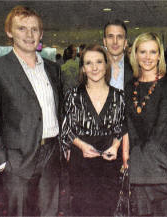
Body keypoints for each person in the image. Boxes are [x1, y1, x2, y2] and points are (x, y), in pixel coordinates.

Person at [0, 6, 61, 216]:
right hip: (17, 161)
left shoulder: (53, 69)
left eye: (34, 29)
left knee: (49, 212)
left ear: (41, 34)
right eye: (22, 28)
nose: (29, 35)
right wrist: (2, 162)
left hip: (51, 154)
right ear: (9, 32)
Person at [125, 32, 167, 216]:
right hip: (140, 171)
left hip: (162, 167)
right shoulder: (130, 87)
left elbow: (162, 132)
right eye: (143, 52)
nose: (147, 57)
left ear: (160, 55)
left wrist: (138, 161)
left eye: (153, 52)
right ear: (135, 55)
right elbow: (129, 128)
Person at [61, 44, 127, 216]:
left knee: (108, 207)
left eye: (99, 62)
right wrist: (81, 145)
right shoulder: (73, 95)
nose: (94, 67)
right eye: (89, 63)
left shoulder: (119, 96)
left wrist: (115, 146)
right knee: (82, 208)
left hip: (109, 161)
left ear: (106, 65)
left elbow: (122, 126)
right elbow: (66, 128)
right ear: (83, 68)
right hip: (81, 161)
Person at [103, 19, 133, 168]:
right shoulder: (93, 69)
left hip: (129, 141)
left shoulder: (136, 70)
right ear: (104, 40)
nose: (115, 41)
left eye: (119, 37)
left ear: (125, 42)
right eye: (110, 36)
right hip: (100, 141)